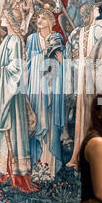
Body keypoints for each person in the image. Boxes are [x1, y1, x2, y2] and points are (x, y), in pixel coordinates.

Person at [0, 6, 38, 193]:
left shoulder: (15, 40)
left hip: (13, 96)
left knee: (14, 130)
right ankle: (7, 171)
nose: (2, 17)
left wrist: (2, 71)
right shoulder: (7, 39)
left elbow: (16, 69)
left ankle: (18, 175)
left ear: (10, 21)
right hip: (5, 93)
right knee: (6, 131)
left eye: (5, 16)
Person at [65, 2, 102, 169]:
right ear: (89, 13)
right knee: (85, 114)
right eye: (95, 8)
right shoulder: (81, 32)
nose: (98, 9)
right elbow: (75, 53)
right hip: (84, 76)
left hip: (99, 77)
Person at [26, 9, 65, 181]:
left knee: (50, 122)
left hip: (52, 86)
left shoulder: (57, 38)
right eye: (38, 18)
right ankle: (36, 166)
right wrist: (41, 57)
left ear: (50, 21)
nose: (39, 20)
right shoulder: (32, 39)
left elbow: (62, 61)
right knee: (37, 123)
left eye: (43, 18)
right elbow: (28, 63)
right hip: (36, 87)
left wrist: (61, 61)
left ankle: (50, 167)